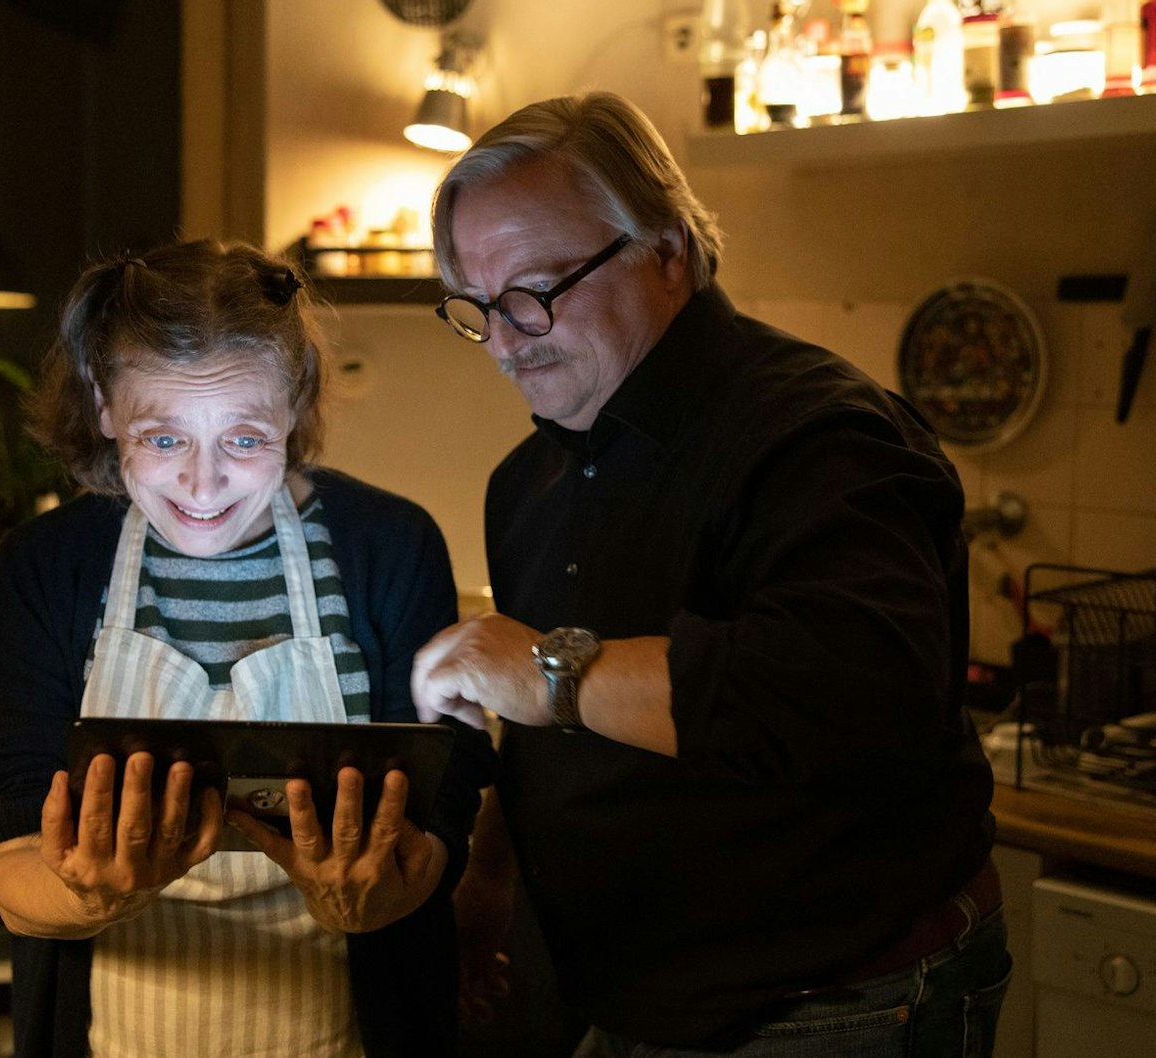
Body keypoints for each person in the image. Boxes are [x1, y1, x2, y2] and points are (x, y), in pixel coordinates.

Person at [410, 92, 1006, 1057]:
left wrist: (553, 670)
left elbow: (834, 697)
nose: (509, 338)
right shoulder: (530, 479)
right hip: (631, 993)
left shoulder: (822, 438)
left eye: (536, 290)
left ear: (668, 250)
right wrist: (493, 878)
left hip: (834, 1003)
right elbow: (543, 732)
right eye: (478, 310)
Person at [0, 239, 491, 1058]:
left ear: (295, 405)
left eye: (242, 440)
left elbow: (441, 816)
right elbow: (7, 862)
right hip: (113, 1029)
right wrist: (95, 897)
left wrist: (372, 899)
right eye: (164, 441)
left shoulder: (390, 546)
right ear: (103, 406)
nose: (202, 490)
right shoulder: (45, 569)